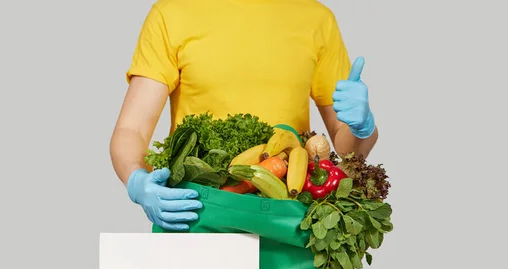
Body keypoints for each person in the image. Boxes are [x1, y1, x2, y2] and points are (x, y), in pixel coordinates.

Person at [110, 0, 379, 231]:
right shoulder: (172, 14)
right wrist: (137, 179)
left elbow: (348, 149)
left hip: (287, 217)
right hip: (195, 211)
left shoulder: (316, 19)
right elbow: (132, 129)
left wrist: (362, 126)